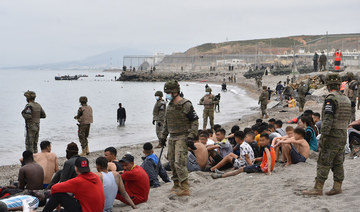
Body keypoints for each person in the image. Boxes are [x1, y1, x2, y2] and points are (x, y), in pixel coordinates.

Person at [303, 73, 351, 196]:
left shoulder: (331, 99)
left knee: (323, 161)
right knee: (338, 161)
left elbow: (328, 120)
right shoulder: (346, 99)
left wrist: (323, 136)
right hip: (342, 134)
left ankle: (318, 188)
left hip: (331, 135)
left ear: (328, 85)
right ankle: (337, 186)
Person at [160, 80, 199, 196]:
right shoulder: (170, 106)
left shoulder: (185, 104)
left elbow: (195, 121)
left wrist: (191, 136)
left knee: (179, 162)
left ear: (175, 92)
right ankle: (176, 184)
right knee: (172, 162)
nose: (167, 95)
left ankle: (185, 187)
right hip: (172, 137)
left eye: (169, 92)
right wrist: (163, 137)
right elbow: (166, 123)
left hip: (183, 137)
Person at [211, 133, 276, 179]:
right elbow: (265, 158)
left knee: (241, 169)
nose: (261, 142)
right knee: (240, 168)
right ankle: (222, 174)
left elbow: (269, 159)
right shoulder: (271, 147)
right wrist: (256, 159)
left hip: (263, 168)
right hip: (264, 167)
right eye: (260, 140)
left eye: (263, 140)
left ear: (268, 140)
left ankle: (221, 175)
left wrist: (269, 171)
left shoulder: (266, 148)